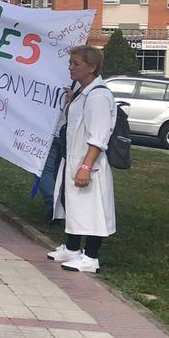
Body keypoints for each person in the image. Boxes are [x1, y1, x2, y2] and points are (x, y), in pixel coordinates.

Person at [46, 46, 117, 274]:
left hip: (88, 162)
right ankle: (73, 247)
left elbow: (98, 136)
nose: (71, 67)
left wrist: (86, 166)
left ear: (92, 67)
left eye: (76, 63)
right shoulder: (82, 93)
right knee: (73, 205)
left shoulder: (98, 97)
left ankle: (91, 257)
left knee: (92, 209)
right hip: (73, 158)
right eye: (70, 63)